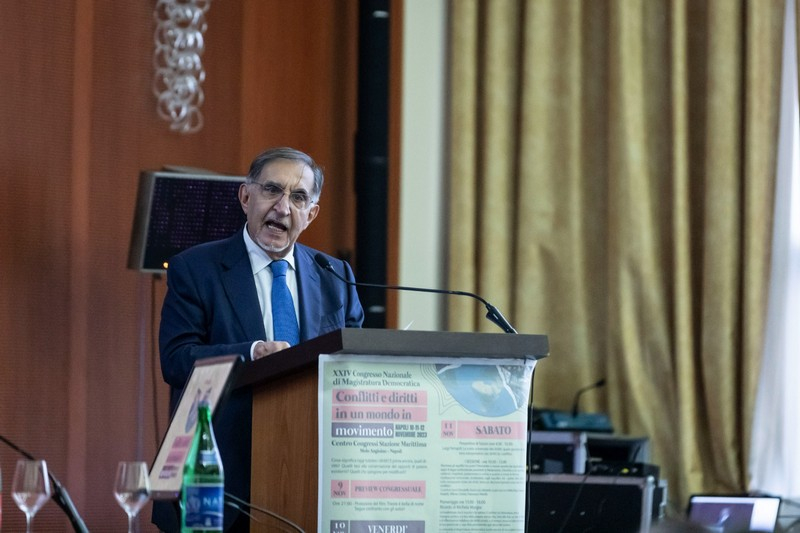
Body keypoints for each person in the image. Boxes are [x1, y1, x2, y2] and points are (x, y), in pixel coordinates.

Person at [153, 147, 364, 532]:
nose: (282, 207)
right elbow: (176, 359)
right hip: (217, 485)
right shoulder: (196, 268)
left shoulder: (335, 276)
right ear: (246, 196)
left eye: (298, 197)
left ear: (311, 214)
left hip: (310, 484)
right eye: (272, 190)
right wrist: (251, 353)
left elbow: (354, 370)